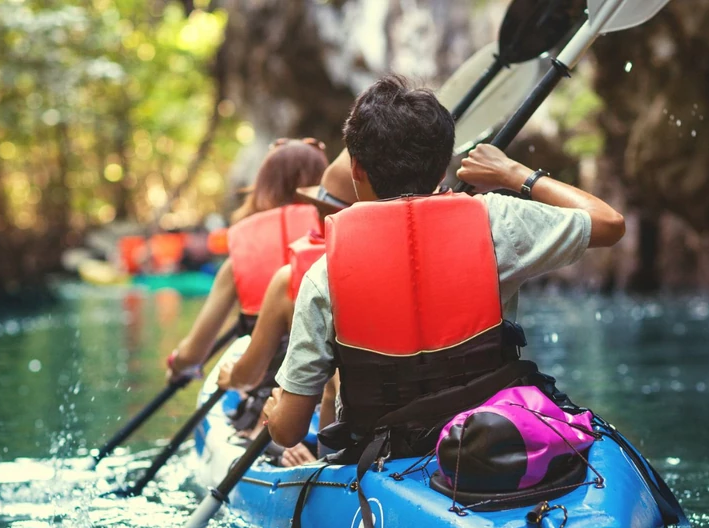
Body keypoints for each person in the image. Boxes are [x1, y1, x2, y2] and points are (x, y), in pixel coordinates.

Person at [262, 74, 626, 464]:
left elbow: (289, 430)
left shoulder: (324, 274)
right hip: (493, 441)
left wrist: (272, 412)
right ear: (441, 169)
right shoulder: (496, 221)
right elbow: (608, 223)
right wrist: (513, 173)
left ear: (356, 169)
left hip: (386, 457)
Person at [216, 153, 355, 466]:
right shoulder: (403, 266)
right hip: (358, 432)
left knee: (264, 426)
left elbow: (250, 378)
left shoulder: (293, 277)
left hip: (308, 423)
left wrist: (230, 379)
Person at [165, 139, 327, 383]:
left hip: (264, 388)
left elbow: (193, 354)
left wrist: (177, 364)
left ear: (263, 186)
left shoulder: (240, 257)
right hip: (329, 388)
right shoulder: (339, 237)